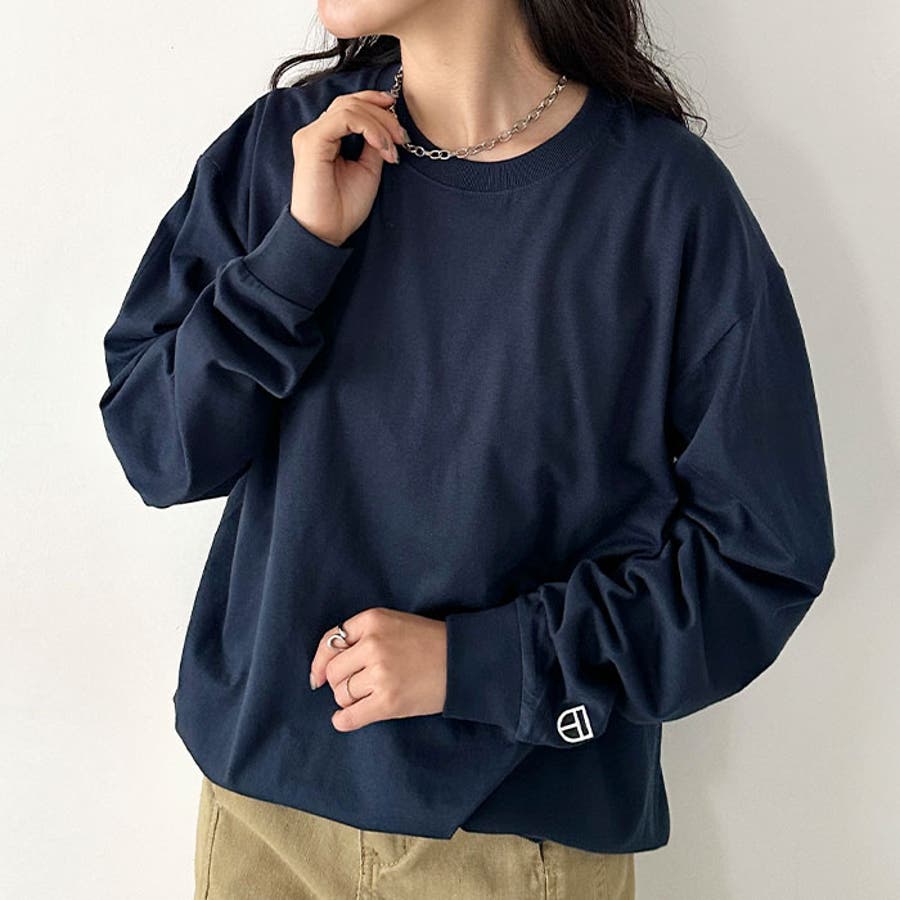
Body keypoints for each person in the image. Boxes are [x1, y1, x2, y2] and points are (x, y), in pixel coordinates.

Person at [97, 2, 835, 898]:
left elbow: (761, 554)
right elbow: (158, 451)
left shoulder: (663, 200)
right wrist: (295, 257)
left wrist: (484, 664)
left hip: (518, 844)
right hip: (262, 820)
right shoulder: (288, 149)